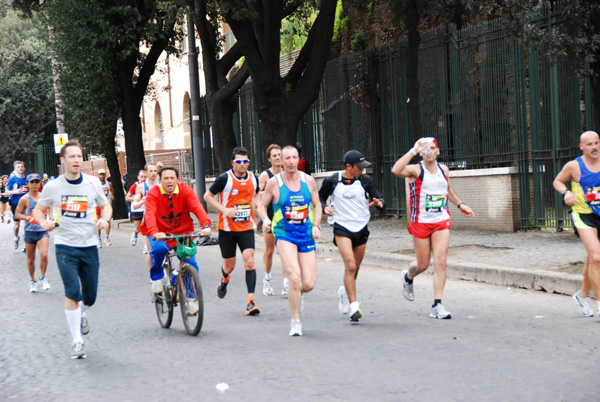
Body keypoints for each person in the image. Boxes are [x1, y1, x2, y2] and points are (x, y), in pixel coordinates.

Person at [32, 140, 112, 359]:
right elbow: (39, 210)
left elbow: (106, 205)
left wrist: (105, 220)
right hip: (65, 246)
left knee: (90, 296)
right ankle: (77, 341)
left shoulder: (93, 182)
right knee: (72, 292)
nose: (77, 160)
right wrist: (43, 223)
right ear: (63, 160)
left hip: (90, 246)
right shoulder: (52, 186)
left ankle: (81, 313)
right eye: (72, 157)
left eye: (79, 156)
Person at [392, 137, 475, 319]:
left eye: (433, 148)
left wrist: (460, 204)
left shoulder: (443, 170)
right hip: (420, 222)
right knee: (422, 264)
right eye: (425, 148)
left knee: (441, 261)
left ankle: (437, 305)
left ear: (438, 151)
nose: (429, 151)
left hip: (440, 220)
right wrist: (412, 151)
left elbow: (448, 190)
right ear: (421, 153)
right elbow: (396, 169)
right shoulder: (415, 170)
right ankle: (408, 277)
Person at [256, 145, 323, 336]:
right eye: (288, 158)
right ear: (281, 161)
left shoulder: (308, 181)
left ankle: (297, 293)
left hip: (305, 233)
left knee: (308, 283)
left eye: (295, 157)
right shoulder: (274, 183)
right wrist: (266, 220)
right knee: (294, 276)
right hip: (284, 233)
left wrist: (316, 225)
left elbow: (317, 204)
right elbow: (261, 206)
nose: (292, 161)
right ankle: (295, 322)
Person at [319, 150, 384, 321]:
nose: (362, 170)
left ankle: (345, 291)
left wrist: (379, 202)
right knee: (350, 266)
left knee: (355, 267)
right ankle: (354, 306)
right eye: (359, 167)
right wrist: (323, 208)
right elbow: (319, 198)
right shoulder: (332, 180)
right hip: (342, 227)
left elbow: (379, 196)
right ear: (349, 166)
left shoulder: (365, 181)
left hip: (361, 227)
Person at [204, 146, 262, 316]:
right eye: (239, 162)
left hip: (246, 227)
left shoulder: (254, 178)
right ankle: (224, 279)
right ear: (233, 163)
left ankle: (250, 302)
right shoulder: (224, 178)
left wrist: (257, 204)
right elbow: (207, 196)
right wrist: (224, 210)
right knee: (230, 266)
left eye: (245, 161)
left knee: (249, 261)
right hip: (227, 229)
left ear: (249, 162)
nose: (242, 164)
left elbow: (257, 193)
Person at [140, 167, 211, 301]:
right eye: (166, 178)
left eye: (172, 178)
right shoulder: (153, 194)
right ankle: (156, 278)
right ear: (160, 180)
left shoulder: (185, 190)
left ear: (177, 179)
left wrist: (206, 225)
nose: (169, 181)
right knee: (158, 250)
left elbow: (197, 207)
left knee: (192, 263)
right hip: (159, 232)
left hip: (182, 233)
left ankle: (190, 299)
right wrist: (155, 232)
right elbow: (149, 215)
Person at [553, 130, 600, 318]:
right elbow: (557, 181)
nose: (594, 147)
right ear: (582, 147)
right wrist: (566, 192)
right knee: (597, 258)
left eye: (597, 143)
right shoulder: (574, 166)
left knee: (591, 259)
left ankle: (582, 296)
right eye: (589, 144)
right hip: (584, 215)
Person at [257, 144, 288, 296]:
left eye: (279, 155)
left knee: (285, 251)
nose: (277, 158)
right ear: (269, 159)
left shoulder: (288, 174)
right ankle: (267, 279)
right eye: (274, 155)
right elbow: (257, 195)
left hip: (285, 219)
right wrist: (269, 192)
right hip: (269, 217)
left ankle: (286, 283)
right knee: (270, 251)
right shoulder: (265, 176)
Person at [15, 173, 51, 293]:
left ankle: (43, 277)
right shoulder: (24, 199)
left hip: (42, 231)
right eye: (32, 182)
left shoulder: (44, 198)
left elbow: (50, 209)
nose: (35, 184)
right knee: (31, 259)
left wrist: (50, 219)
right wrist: (27, 218)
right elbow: (17, 214)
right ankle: (32, 280)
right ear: (28, 184)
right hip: (30, 231)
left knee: (44, 255)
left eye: (37, 182)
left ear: (40, 183)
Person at [133, 163, 160, 255]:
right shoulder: (141, 187)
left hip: (162, 216)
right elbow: (134, 205)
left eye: (155, 171)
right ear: (146, 172)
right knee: (150, 251)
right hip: (149, 216)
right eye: (151, 171)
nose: (153, 173)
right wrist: (142, 201)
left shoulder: (162, 184)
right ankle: (147, 246)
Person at [6, 160, 28, 251]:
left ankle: (26, 245)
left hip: (26, 204)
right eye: (18, 167)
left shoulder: (28, 179)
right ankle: (16, 237)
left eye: (22, 166)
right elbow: (6, 192)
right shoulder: (12, 180)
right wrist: (16, 192)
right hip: (15, 204)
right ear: (15, 169)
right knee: (17, 225)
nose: (21, 168)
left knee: (25, 225)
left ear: (24, 168)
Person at [126, 169, 147, 247]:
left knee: (147, 228)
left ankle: (146, 245)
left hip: (146, 209)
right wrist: (139, 200)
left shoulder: (148, 186)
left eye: (145, 177)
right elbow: (127, 198)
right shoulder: (135, 186)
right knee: (138, 229)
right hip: (137, 209)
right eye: (142, 177)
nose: (143, 178)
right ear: (138, 177)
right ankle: (134, 235)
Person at [96, 169, 114, 247]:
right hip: (98, 205)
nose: (102, 176)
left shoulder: (108, 184)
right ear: (98, 175)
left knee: (108, 221)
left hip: (106, 205)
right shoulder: (96, 185)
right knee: (98, 222)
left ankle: (106, 237)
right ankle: (99, 239)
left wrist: (112, 194)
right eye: (100, 174)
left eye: (103, 174)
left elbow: (112, 190)